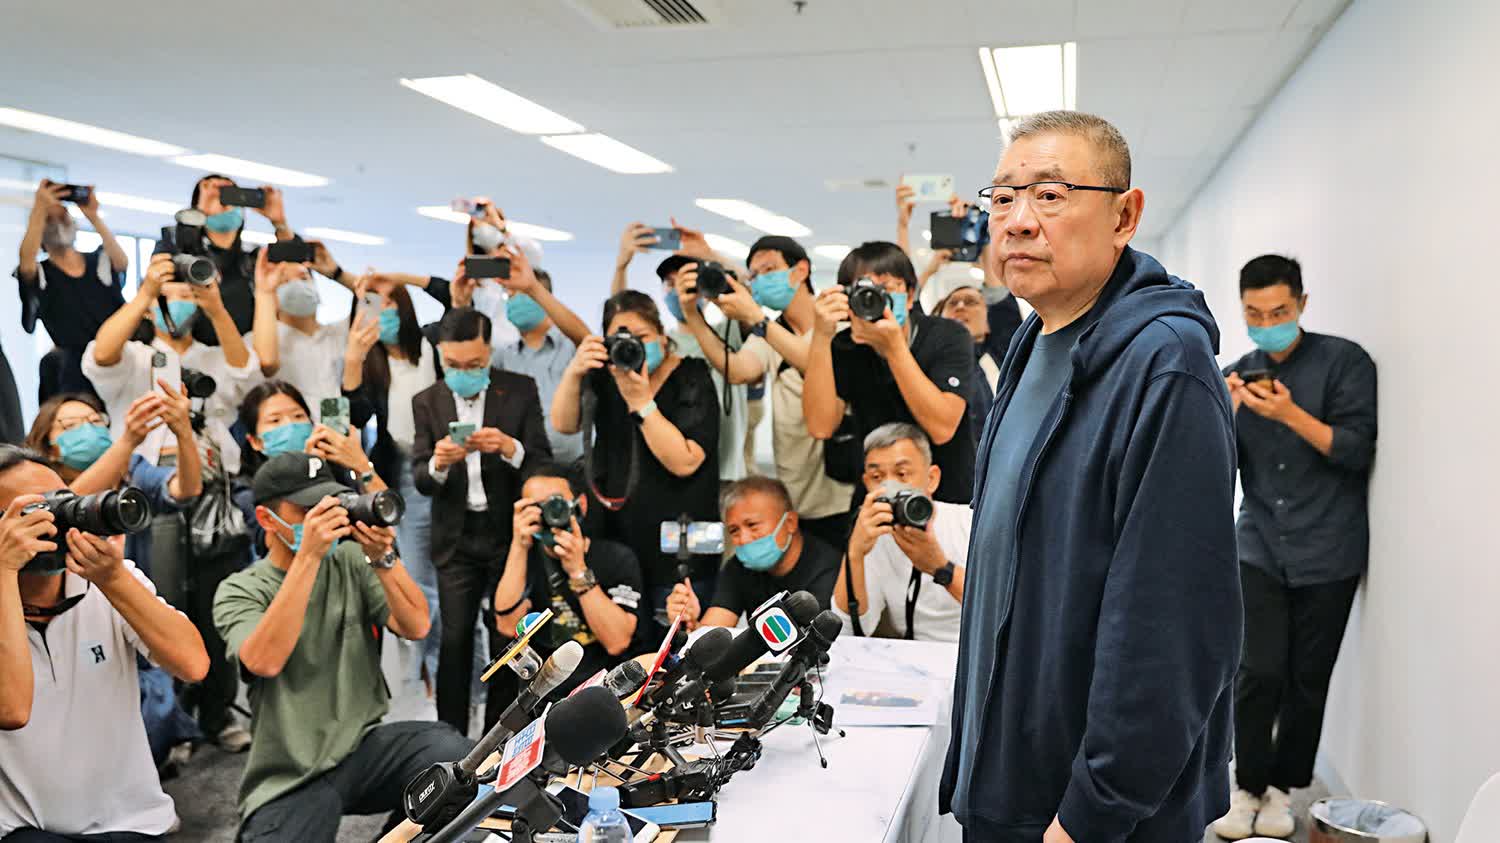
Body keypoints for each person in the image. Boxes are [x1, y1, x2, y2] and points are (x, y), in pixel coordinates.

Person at [943, 110, 1240, 843]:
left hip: (1092, 814)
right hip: (1013, 772)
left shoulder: (1165, 364)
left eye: (1050, 195)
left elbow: (1173, 625)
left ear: (1124, 216)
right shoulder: (1033, 343)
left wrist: (1091, 813)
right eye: (1003, 197)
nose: (1017, 221)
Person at [213, 452, 469, 842]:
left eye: (328, 505)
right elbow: (264, 661)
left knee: (456, 762)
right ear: (266, 518)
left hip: (361, 747)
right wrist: (308, 558)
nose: (322, 518)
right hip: (291, 772)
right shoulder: (240, 589)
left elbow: (416, 625)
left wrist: (384, 558)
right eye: (306, 510)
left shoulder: (349, 559)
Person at [1211, 255, 1378, 841]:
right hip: (1257, 544)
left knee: (1308, 678)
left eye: (1278, 312)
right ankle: (1246, 786)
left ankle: (1284, 790)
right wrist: (1224, 414)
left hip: (1329, 547)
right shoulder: (1235, 375)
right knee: (1256, 671)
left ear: (1302, 304)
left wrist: (1289, 414)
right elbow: (1214, 471)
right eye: (1254, 314)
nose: (1267, 324)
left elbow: (1355, 449)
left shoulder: (1345, 362)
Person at [0, 444, 210, 841]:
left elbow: (193, 665)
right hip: (26, 829)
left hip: (133, 823)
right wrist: (3, 571)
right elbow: (11, 709)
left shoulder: (110, 580)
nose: (56, 520)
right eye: (34, 511)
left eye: (60, 502)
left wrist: (114, 580)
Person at [412, 308, 551, 734]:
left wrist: (510, 448)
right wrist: (438, 463)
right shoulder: (428, 400)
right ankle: (449, 737)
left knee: (509, 640)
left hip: (509, 535)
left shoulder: (520, 390)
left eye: (473, 364)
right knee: (454, 641)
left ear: (489, 352)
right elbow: (420, 479)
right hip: (456, 539)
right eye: (453, 364)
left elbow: (542, 461)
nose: (463, 372)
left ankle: (500, 735)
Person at [551, 291, 720, 634]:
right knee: (627, 649)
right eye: (621, 338)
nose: (633, 346)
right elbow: (564, 424)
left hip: (680, 548)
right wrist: (574, 372)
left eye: (642, 336)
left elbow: (685, 461)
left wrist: (641, 402)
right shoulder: (604, 376)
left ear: (662, 335)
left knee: (678, 649)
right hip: (618, 544)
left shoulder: (693, 375)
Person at [713, 236, 856, 550]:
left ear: (800, 270)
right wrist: (695, 316)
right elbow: (737, 370)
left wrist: (756, 318)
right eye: (755, 275)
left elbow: (812, 363)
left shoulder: (839, 321)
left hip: (844, 485)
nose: (760, 279)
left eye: (769, 269)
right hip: (798, 490)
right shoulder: (768, 333)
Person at [804, 241, 976, 504]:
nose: (874, 298)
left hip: (949, 493)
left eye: (885, 288)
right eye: (863, 290)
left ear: (909, 295)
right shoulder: (845, 347)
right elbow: (820, 426)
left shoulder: (948, 336)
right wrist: (821, 335)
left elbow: (942, 427)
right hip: (877, 493)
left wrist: (893, 347)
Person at [342, 282, 445, 695]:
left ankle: (443, 672)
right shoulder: (371, 362)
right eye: (370, 303)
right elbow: (354, 414)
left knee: (451, 580)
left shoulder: (432, 344)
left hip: (448, 466)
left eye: (389, 301)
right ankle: (423, 674)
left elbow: (453, 302)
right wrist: (354, 356)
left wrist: (399, 274)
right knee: (420, 579)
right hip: (401, 471)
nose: (381, 311)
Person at [82, 251, 261, 475]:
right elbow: (101, 354)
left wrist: (217, 311)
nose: (175, 302)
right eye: (163, 296)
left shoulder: (213, 357)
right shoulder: (134, 357)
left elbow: (247, 375)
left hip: (214, 471)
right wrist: (146, 293)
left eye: (186, 296)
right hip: (140, 470)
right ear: (147, 309)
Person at [613, 220, 751, 484]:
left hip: (727, 470)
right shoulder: (663, 345)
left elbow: (748, 299)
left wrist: (711, 256)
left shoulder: (728, 333)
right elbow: (620, 321)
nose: (676, 289)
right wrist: (622, 266)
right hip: (679, 464)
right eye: (669, 283)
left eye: (685, 282)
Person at [492, 462, 644, 701]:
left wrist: (578, 571)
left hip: (602, 692)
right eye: (536, 507)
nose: (548, 514)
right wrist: (519, 545)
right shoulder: (518, 560)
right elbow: (507, 625)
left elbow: (617, 641)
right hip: (542, 696)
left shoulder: (617, 558)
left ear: (580, 505)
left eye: (555, 503)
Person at [22, 389, 201, 577]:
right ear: (49, 448)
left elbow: (186, 489)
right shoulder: (35, 481)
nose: (88, 430)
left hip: (128, 586)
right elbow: (63, 507)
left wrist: (184, 432)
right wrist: (128, 441)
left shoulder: (131, 470)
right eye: (71, 425)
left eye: (95, 421)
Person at [833, 423, 966, 642]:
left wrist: (940, 567)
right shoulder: (876, 537)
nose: (890, 487)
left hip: (976, 652)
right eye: (877, 477)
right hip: (914, 657)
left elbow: (1001, 608)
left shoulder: (968, 522)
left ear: (932, 479)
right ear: (866, 483)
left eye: (902, 474)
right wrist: (854, 554)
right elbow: (848, 629)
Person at [666, 475, 840, 631]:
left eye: (752, 525)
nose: (744, 538)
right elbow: (712, 630)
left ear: (790, 523)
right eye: (734, 530)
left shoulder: (828, 567)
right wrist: (691, 622)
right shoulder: (738, 567)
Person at [12, 179, 128, 400]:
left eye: (63, 216)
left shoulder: (98, 262)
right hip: (73, 372)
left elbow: (121, 262)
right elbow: (26, 262)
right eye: (50, 219)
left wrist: (92, 215)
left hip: (114, 359)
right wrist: (39, 208)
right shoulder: (41, 274)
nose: (58, 223)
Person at [153, 175, 297, 342]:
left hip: (246, 351)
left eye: (228, 196)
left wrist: (280, 223)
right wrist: (198, 215)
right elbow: (167, 266)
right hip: (197, 351)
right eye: (213, 197)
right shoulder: (177, 248)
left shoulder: (254, 259)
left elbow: (295, 269)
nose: (221, 204)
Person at [486, 247, 592, 467]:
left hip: (578, 463)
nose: (513, 301)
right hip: (527, 466)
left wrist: (533, 287)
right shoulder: (503, 357)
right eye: (509, 295)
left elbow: (587, 339)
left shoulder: (571, 347)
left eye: (521, 294)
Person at [931, 259, 1024, 433]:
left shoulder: (1006, 357)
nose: (960, 307)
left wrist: (987, 253)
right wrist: (931, 268)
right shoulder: (925, 360)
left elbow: (998, 299)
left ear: (988, 323)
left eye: (971, 302)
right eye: (952, 303)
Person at [249, 253, 348, 414]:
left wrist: (337, 273)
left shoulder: (340, 332)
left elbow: (378, 298)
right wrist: (265, 293)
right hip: (291, 425)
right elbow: (267, 363)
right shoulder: (263, 341)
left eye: (304, 278)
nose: (297, 285)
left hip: (336, 421)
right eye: (284, 281)